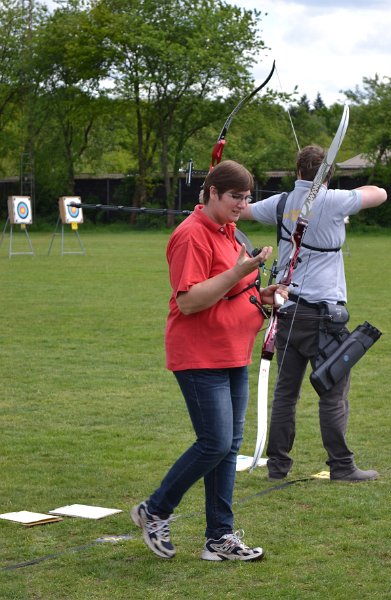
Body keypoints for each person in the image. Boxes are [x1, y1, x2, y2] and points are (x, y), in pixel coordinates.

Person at [131, 159, 287, 561]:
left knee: (228, 447)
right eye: (236, 196)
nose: (242, 204)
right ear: (213, 193)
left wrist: (262, 293)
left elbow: (232, 291)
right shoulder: (191, 235)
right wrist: (240, 273)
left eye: (248, 197)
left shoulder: (230, 232)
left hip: (234, 352)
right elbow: (190, 300)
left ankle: (219, 538)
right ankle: (154, 510)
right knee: (215, 441)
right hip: (199, 354)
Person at [241, 145, 387, 483]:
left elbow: (243, 212)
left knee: (286, 394)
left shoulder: (280, 203)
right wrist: (336, 189)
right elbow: (379, 193)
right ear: (328, 174)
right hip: (323, 316)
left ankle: (278, 467)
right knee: (333, 393)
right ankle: (342, 466)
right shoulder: (334, 200)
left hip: (287, 311)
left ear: (297, 171)